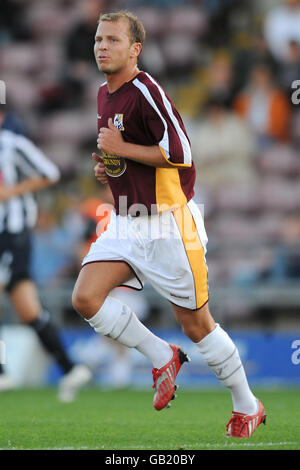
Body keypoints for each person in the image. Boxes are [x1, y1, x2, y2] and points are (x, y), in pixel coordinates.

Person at [71, 11, 266, 438]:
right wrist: (110, 170)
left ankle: (247, 404)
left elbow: (180, 153)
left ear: (135, 49)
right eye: (99, 39)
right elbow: (127, 159)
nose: (102, 46)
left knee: (197, 325)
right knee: (85, 298)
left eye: (113, 40)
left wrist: (121, 147)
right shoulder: (104, 94)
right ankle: (162, 356)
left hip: (169, 222)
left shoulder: (146, 89)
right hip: (127, 221)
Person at [0, 106, 92, 401]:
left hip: (11, 236)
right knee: (30, 310)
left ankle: (3, 373)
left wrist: (12, 192)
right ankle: (70, 367)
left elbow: (50, 173)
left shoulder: (12, 144)